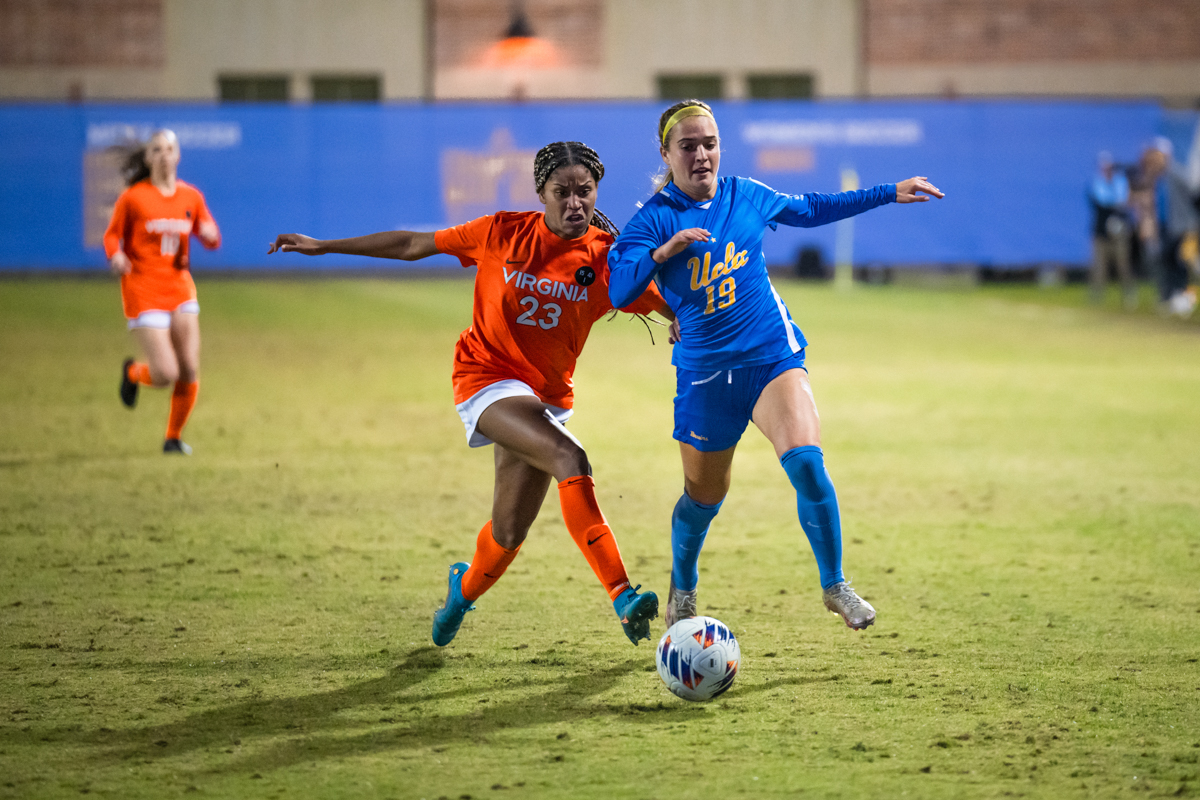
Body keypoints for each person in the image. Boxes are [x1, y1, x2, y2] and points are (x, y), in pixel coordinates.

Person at [269, 141, 672, 647]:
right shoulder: (501, 231)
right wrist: (325, 246)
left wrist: (680, 319)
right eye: (561, 192)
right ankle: (622, 595)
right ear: (540, 194)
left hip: (545, 398)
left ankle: (459, 594)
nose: (575, 203)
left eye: (584, 192)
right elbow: (414, 244)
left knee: (507, 535)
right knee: (570, 457)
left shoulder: (606, 259)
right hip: (486, 378)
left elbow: (661, 303)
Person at [608, 100, 943, 632]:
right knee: (704, 497)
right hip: (706, 376)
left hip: (771, 357)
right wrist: (664, 251)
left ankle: (835, 585)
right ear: (667, 153)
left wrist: (887, 192)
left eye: (710, 143)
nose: (702, 155)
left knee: (807, 462)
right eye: (688, 146)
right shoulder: (651, 221)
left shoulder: (746, 195)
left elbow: (813, 207)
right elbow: (619, 287)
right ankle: (685, 585)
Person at [104, 129, 221, 455]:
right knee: (165, 373)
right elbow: (112, 236)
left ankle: (173, 437)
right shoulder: (134, 197)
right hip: (143, 289)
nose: (165, 155)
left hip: (180, 288)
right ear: (148, 158)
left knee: (189, 368)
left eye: (170, 148)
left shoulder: (191, 197)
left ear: (178, 155)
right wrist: (116, 255)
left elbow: (211, 236)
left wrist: (209, 235)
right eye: (157, 149)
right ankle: (133, 371)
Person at [1151, 137, 1200, 317]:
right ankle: (1172, 298)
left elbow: (1193, 193)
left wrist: (1191, 222)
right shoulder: (1159, 176)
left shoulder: (1177, 172)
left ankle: (1185, 302)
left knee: (1182, 263)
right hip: (1168, 227)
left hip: (1182, 227)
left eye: (1159, 155)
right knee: (1168, 261)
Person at [1087, 151, 1135, 308]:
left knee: (1123, 264)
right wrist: (1115, 206)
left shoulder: (1120, 182)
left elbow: (1123, 202)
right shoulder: (1096, 182)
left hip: (1119, 230)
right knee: (1099, 266)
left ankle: (1129, 294)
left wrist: (1116, 206)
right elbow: (1102, 202)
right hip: (1101, 231)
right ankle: (1096, 296)